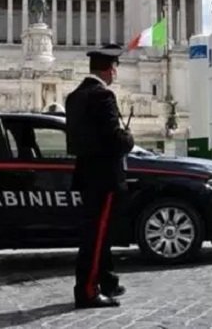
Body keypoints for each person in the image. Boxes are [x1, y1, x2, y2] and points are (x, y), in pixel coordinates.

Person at [65, 43, 135, 308]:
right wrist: (128, 138)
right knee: (95, 237)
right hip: (104, 176)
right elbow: (112, 139)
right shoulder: (102, 96)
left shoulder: (74, 96)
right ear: (110, 69)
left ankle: (107, 281)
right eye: (115, 67)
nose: (115, 72)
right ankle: (87, 292)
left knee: (99, 233)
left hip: (85, 173)